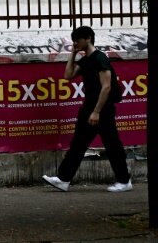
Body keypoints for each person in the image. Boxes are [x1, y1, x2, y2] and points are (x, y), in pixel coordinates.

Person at [42, 25, 131, 193]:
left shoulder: (100, 59)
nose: (75, 42)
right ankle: (63, 179)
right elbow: (68, 76)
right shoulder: (85, 60)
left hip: (102, 109)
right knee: (78, 144)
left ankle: (124, 181)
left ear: (88, 38)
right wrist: (73, 54)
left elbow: (106, 87)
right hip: (88, 107)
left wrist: (97, 111)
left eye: (78, 39)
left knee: (112, 145)